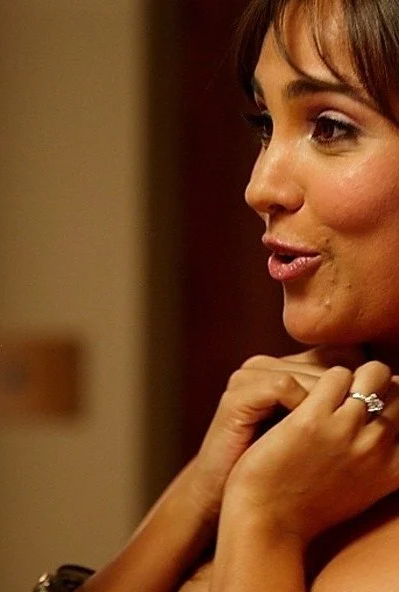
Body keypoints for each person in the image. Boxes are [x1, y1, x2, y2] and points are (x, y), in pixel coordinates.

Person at [37, 0, 399, 590]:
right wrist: (202, 490)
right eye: (265, 124)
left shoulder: (288, 492)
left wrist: (266, 517)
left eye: (330, 127)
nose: (261, 187)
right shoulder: (308, 442)